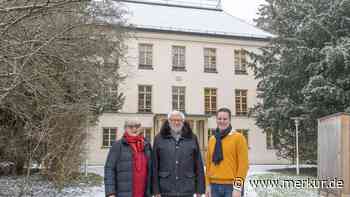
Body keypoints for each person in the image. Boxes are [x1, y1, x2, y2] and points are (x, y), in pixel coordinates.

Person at [152, 110, 205, 197]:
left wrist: (199, 189)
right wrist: (156, 190)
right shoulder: (159, 138)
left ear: (183, 122)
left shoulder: (192, 138)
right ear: (168, 121)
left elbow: (198, 164)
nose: (176, 122)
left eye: (179, 120)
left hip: (187, 188)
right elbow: (155, 165)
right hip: (165, 188)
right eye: (173, 120)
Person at [205, 108, 249, 197]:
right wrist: (207, 185)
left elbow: (243, 165)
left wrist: (237, 188)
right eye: (219, 119)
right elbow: (208, 164)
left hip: (231, 187)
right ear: (216, 120)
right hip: (214, 186)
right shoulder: (212, 139)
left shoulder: (239, 138)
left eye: (225, 119)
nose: (222, 121)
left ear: (229, 120)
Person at [104, 120, 152, 197]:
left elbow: (150, 168)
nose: (134, 129)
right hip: (124, 192)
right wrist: (110, 192)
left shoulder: (146, 144)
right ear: (125, 128)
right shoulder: (118, 145)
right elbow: (109, 168)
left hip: (143, 192)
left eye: (137, 126)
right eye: (130, 127)